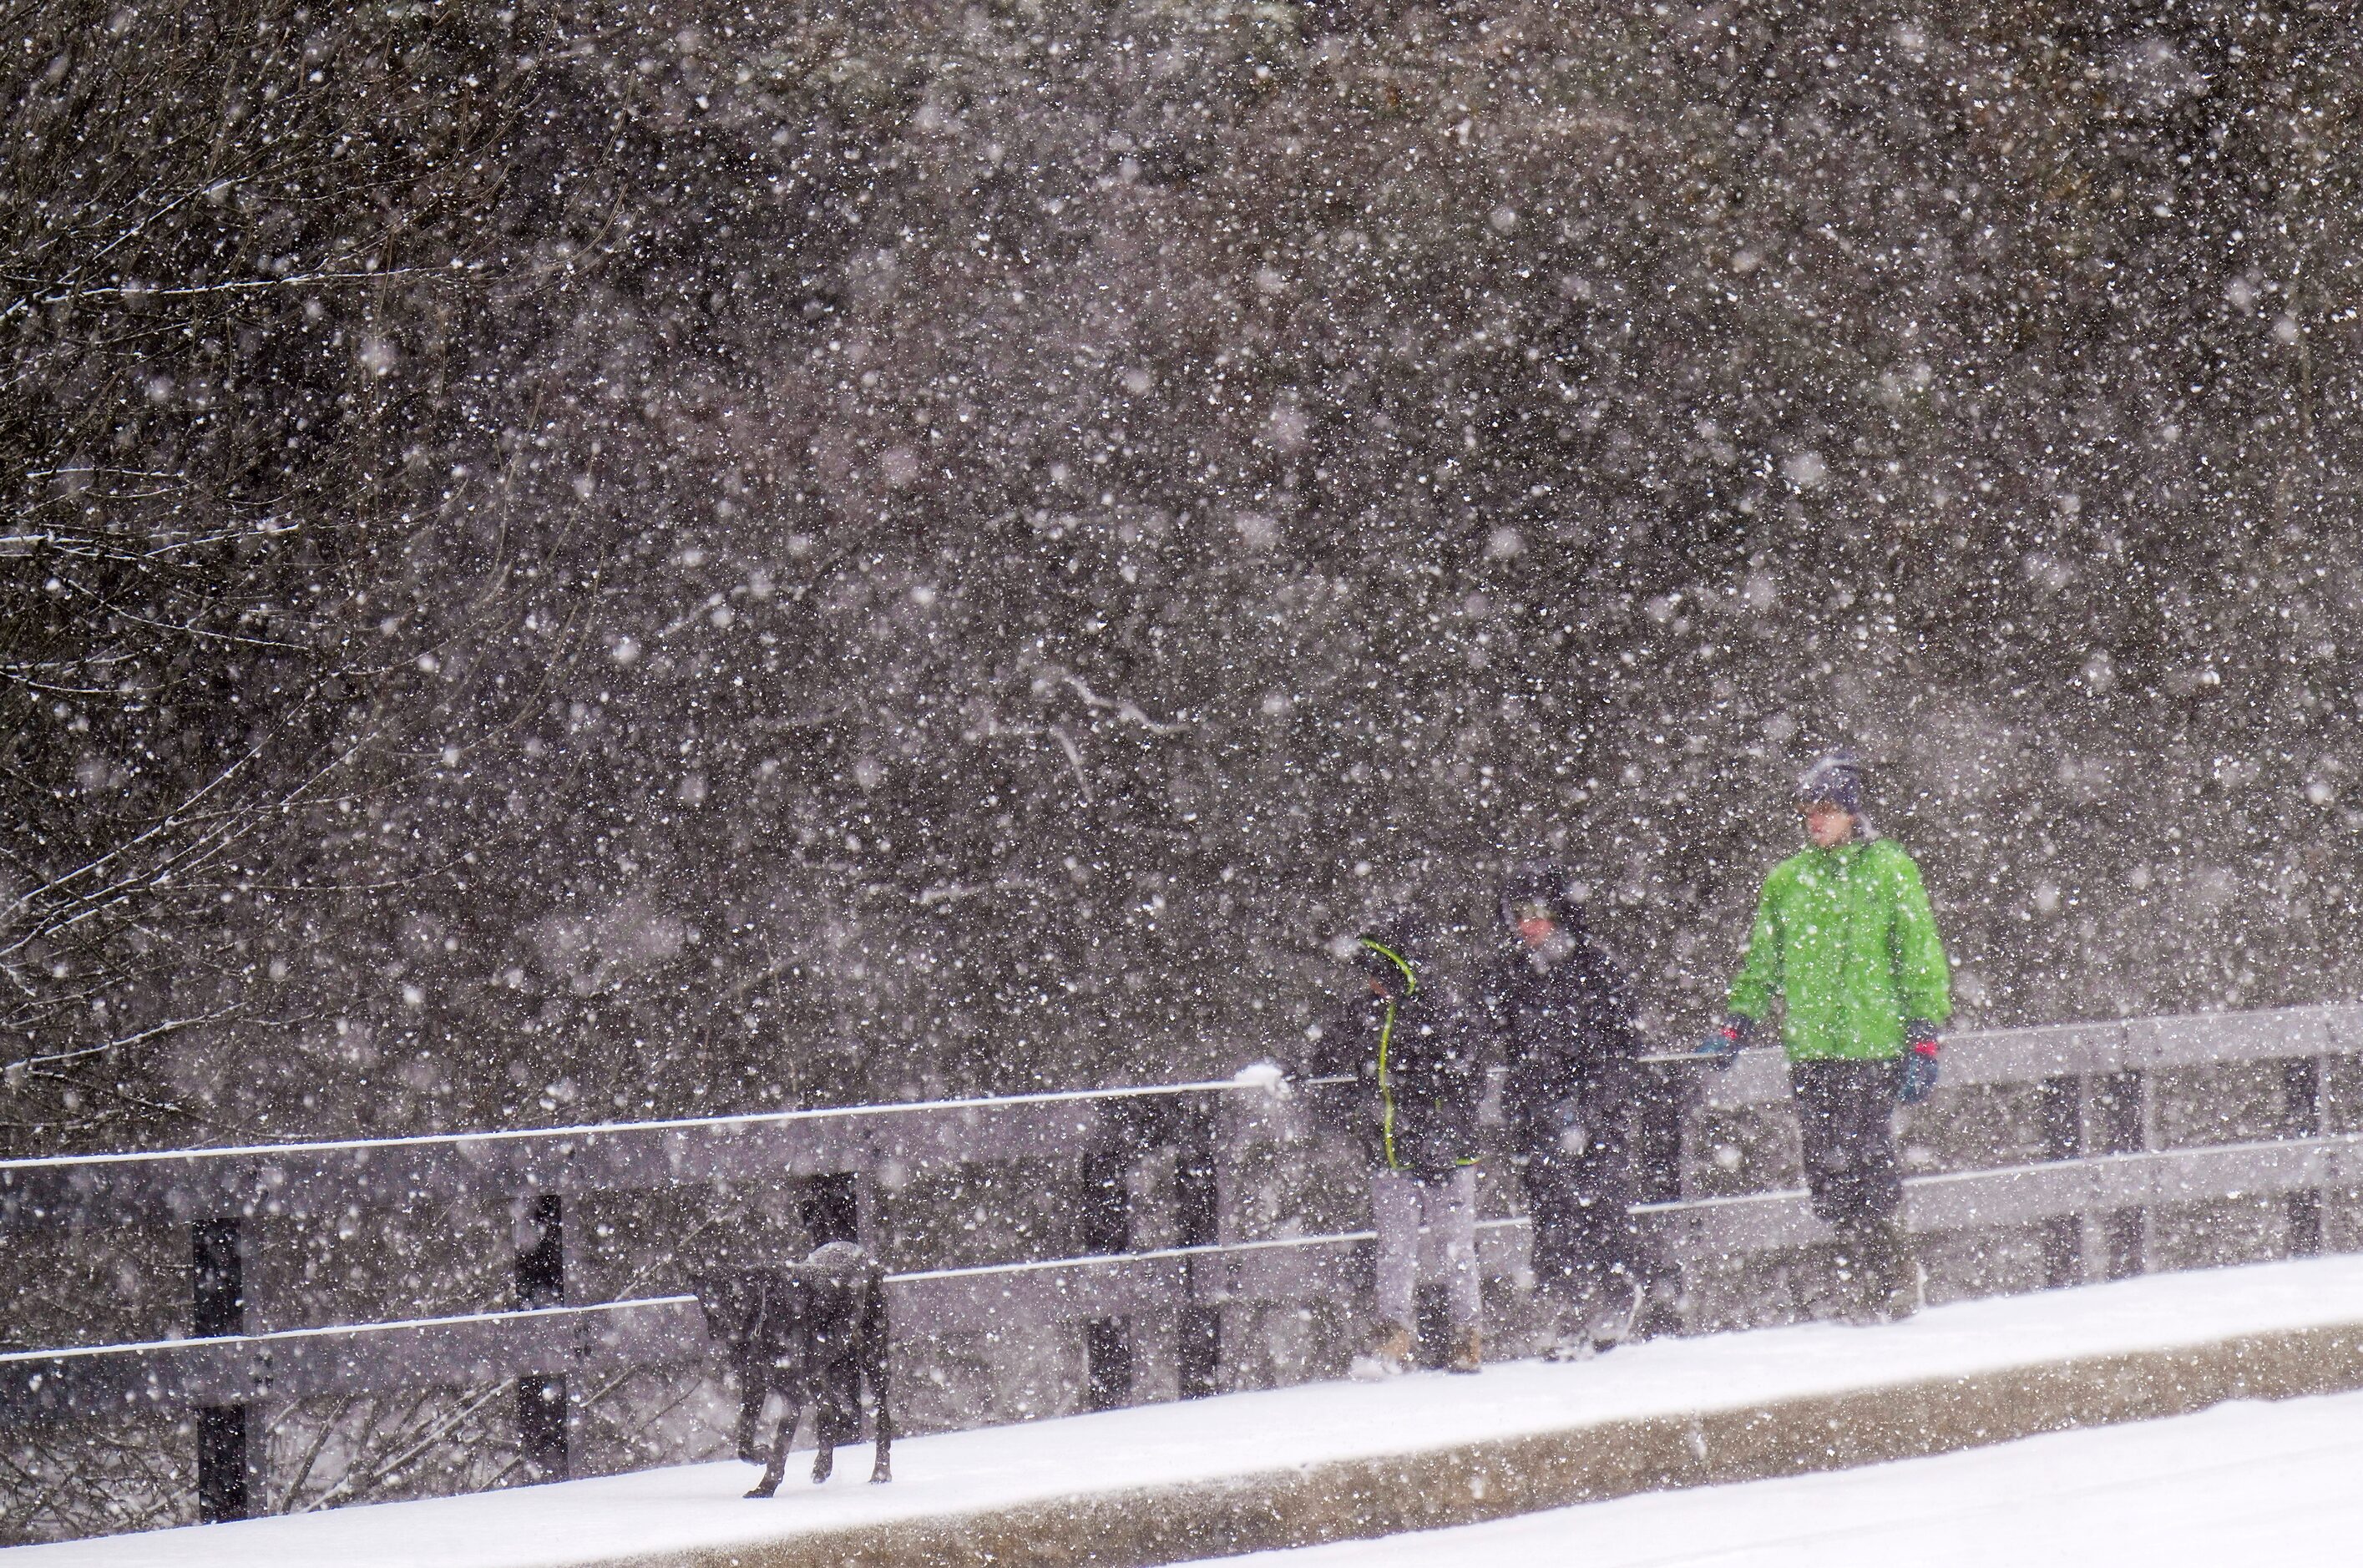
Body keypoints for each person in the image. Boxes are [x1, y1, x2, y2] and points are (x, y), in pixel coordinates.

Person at [1703, 752, 1951, 1322]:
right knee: (1826, 1169)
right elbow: (1763, 964)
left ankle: (1892, 1270)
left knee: (1868, 1156)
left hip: (1873, 1043)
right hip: (1813, 1049)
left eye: (1827, 809)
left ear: (1852, 813)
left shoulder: (1890, 870)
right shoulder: (1788, 882)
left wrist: (1922, 1035)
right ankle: (1858, 1271)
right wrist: (1738, 1021)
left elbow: (1919, 956)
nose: (1815, 820)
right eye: (1808, 810)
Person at [1480, 862, 1647, 1360]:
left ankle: (1615, 1297)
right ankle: (1564, 1307)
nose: (1528, 925)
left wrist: (1596, 1102)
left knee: (1604, 1208)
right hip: (1536, 1112)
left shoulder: (1598, 965)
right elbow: (1476, 1031)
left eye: (1537, 913)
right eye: (1518, 914)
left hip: (1598, 1108)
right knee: (1551, 1214)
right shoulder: (1506, 973)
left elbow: (1625, 1043)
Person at [1307, 916, 1486, 1376]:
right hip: (1390, 1152)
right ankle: (1393, 1335)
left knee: (1456, 1248)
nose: (1370, 982)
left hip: (1444, 1154)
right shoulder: (1365, 1012)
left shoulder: (1439, 1010)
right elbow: (1328, 1055)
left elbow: (1468, 1078)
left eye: (1378, 971)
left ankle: (1467, 1337)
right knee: (1395, 1250)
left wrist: (1441, 1135)